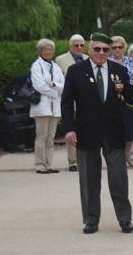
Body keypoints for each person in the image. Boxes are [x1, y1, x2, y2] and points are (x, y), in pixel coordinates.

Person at [61, 32, 133, 234]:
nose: (101, 53)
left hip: (114, 132)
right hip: (86, 133)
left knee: (119, 178)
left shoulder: (119, 70)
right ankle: (91, 220)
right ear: (89, 49)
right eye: (97, 49)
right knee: (88, 179)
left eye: (106, 49)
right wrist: (69, 129)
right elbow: (67, 103)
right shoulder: (76, 71)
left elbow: (131, 96)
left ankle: (124, 219)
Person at [30, 38, 64, 174]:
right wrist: (55, 93)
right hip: (42, 107)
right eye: (45, 50)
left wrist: (54, 85)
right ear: (40, 51)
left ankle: (49, 164)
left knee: (51, 137)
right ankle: (39, 164)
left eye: (50, 50)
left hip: (54, 107)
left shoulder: (55, 66)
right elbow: (39, 85)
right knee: (41, 136)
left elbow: (63, 84)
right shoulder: (36, 66)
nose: (48, 52)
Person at [109, 36, 133, 167]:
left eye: (120, 47)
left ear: (124, 48)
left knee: (130, 130)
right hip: (113, 100)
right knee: (115, 129)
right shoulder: (107, 61)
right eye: (114, 47)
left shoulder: (130, 61)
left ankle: (127, 156)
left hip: (129, 99)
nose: (117, 50)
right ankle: (116, 157)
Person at [56, 34, 88, 172]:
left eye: (82, 45)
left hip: (88, 102)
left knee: (86, 131)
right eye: (76, 45)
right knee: (72, 130)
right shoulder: (61, 60)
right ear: (70, 46)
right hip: (72, 99)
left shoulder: (88, 58)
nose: (79, 47)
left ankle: (85, 158)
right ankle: (73, 161)